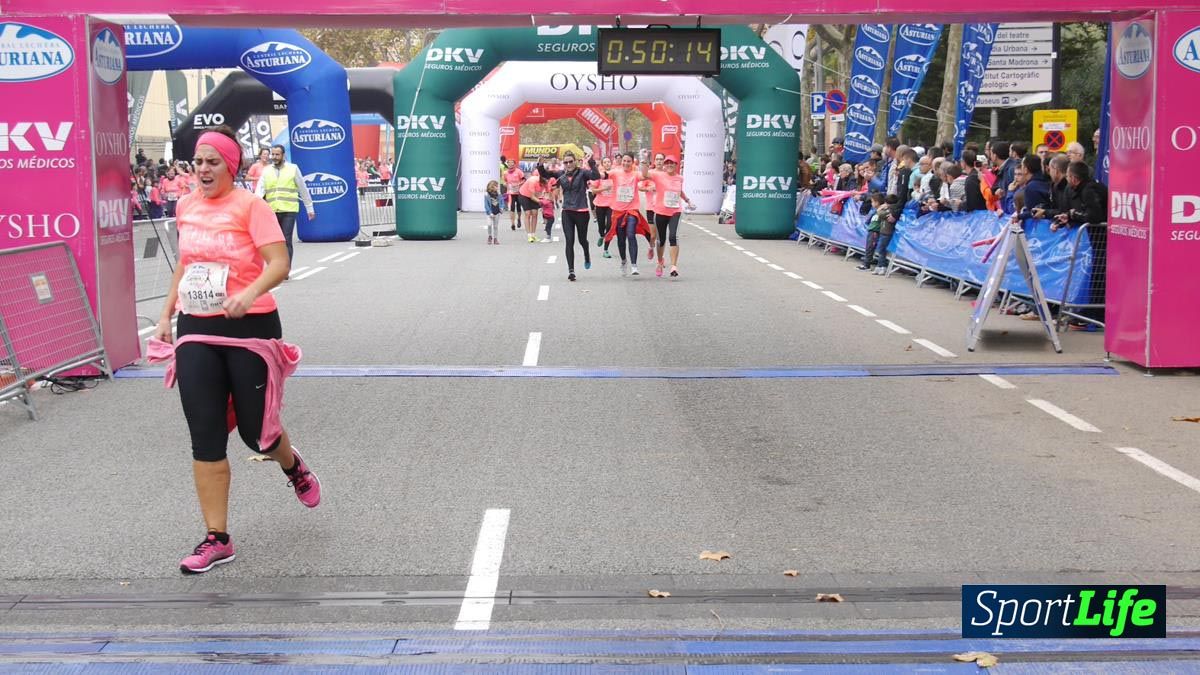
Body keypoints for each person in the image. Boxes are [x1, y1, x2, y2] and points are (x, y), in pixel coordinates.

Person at [151, 125, 320, 575]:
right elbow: (186, 264)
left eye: (212, 162)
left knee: (255, 433)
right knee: (205, 433)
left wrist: (249, 293)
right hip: (196, 326)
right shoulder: (186, 206)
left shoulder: (251, 206)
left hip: (250, 324)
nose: (203, 170)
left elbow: (279, 262)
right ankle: (217, 538)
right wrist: (166, 316)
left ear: (230, 166)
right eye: (198, 162)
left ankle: (293, 466)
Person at [538, 151, 599, 281]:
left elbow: (596, 176)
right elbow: (545, 174)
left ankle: (586, 254)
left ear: (575, 161)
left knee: (582, 240)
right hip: (567, 211)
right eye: (566, 162)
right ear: (563, 163)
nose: (568, 164)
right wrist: (540, 165)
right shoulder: (561, 174)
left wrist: (591, 162)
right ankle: (571, 270)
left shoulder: (583, 173)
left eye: (571, 161)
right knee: (569, 240)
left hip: (581, 211)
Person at [254, 145, 316, 265]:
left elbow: (303, 189)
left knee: (286, 240)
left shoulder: (293, 169)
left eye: (277, 154)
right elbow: (259, 191)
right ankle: (276, 266)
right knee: (274, 241)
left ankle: (285, 268)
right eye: (273, 154)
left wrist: (310, 208)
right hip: (272, 211)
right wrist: (255, 208)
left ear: (283, 155)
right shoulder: (266, 171)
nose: (274, 157)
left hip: (289, 210)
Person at [641, 154, 693, 278]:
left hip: (675, 211)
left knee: (673, 236)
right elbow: (644, 174)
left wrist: (687, 200)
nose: (669, 165)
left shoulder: (680, 178)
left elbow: (679, 191)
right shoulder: (658, 175)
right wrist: (645, 161)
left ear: (676, 165)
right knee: (661, 240)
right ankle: (660, 262)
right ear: (665, 165)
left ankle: (674, 266)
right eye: (667, 163)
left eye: (672, 163)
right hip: (660, 211)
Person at [590, 157, 615, 258]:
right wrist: (604, 189)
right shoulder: (599, 176)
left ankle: (606, 249)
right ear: (602, 164)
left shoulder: (614, 175)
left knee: (609, 225)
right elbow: (593, 191)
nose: (607, 163)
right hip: (600, 204)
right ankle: (601, 235)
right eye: (605, 162)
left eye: (609, 162)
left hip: (611, 205)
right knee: (601, 226)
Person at [503, 158, 525, 232]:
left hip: (518, 192)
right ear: (507, 164)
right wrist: (505, 184)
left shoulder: (518, 171)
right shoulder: (505, 173)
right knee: (512, 207)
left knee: (518, 207)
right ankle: (512, 224)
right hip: (511, 192)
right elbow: (505, 181)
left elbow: (524, 180)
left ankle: (519, 218)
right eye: (509, 163)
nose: (510, 164)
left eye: (512, 163)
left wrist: (518, 184)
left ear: (514, 164)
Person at [483, 180, 503, 244]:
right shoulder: (487, 194)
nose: (497, 187)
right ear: (492, 187)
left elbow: (501, 201)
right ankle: (490, 236)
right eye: (496, 186)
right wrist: (490, 213)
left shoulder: (498, 193)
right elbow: (486, 205)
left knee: (495, 226)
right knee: (489, 224)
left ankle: (495, 238)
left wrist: (501, 208)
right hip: (490, 213)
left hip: (497, 212)